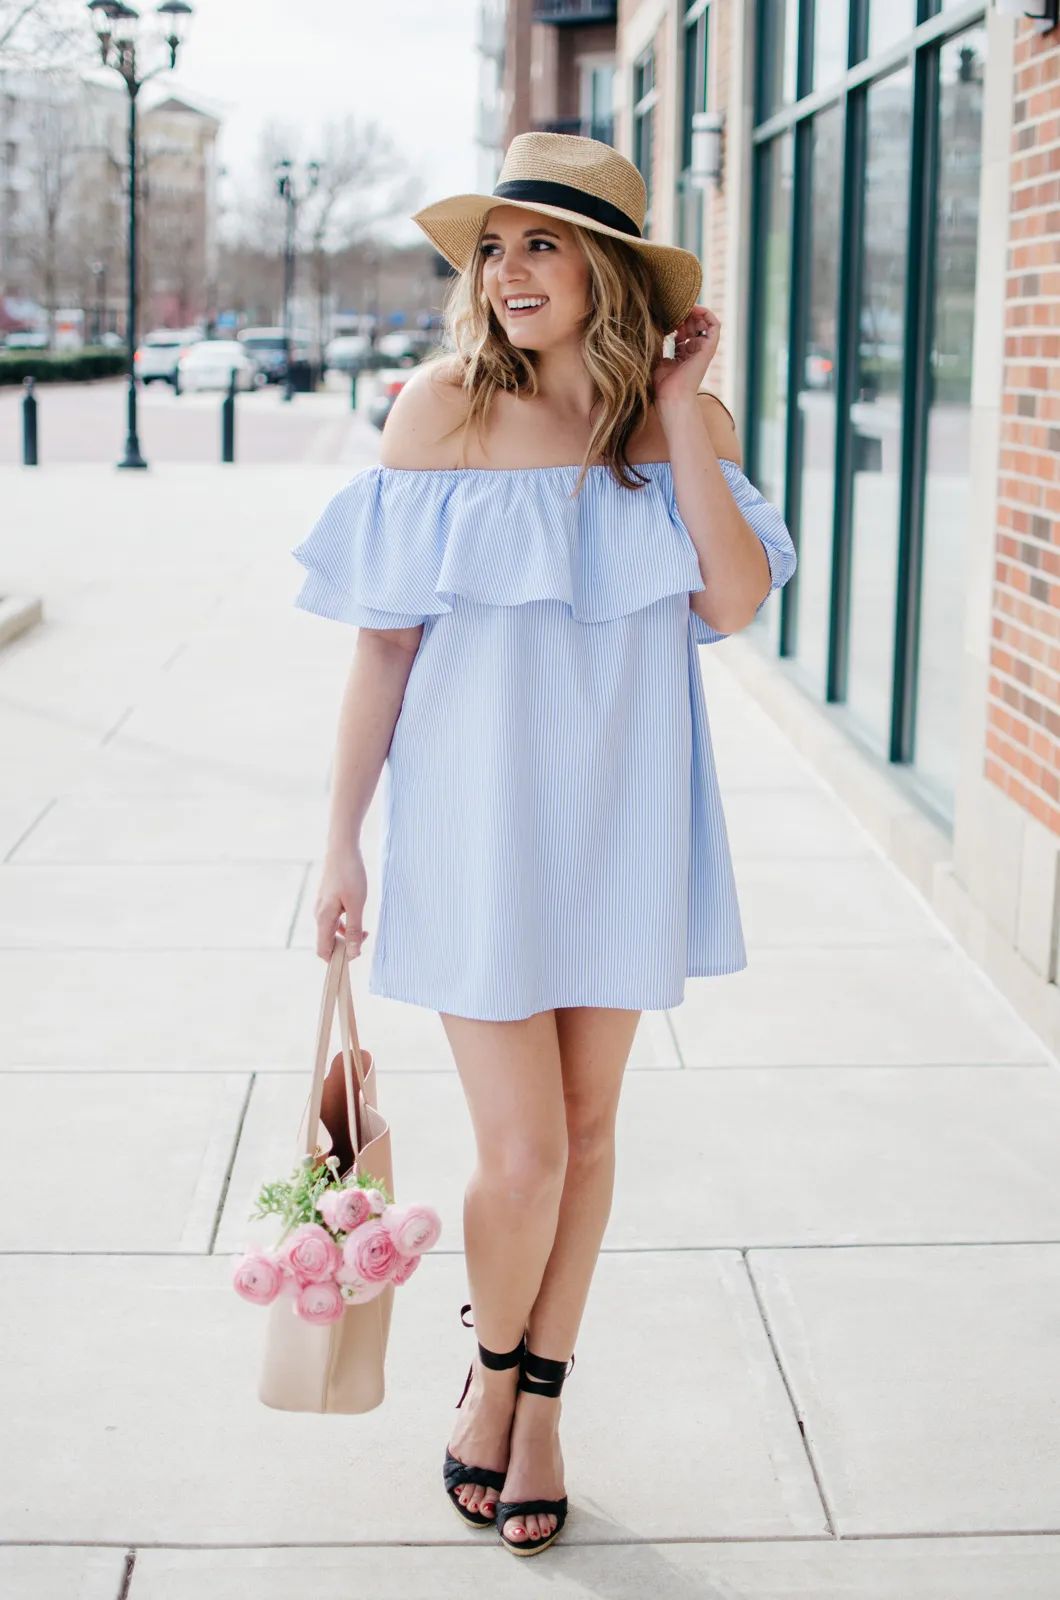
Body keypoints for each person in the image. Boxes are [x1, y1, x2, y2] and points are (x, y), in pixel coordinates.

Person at [290, 132, 797, 1558]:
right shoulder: (439, 412)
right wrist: (341, 842)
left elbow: (733, 602)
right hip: (478, 826)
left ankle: (542, 1407)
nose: (509, 272)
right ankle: (494, 1377)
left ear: (608, 270)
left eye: (543, 244)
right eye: (494, 248)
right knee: (518, 1154)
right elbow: (384, 650)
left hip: (627, 818)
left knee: (584, 1135)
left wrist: (680, 412)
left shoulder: (680, 425)